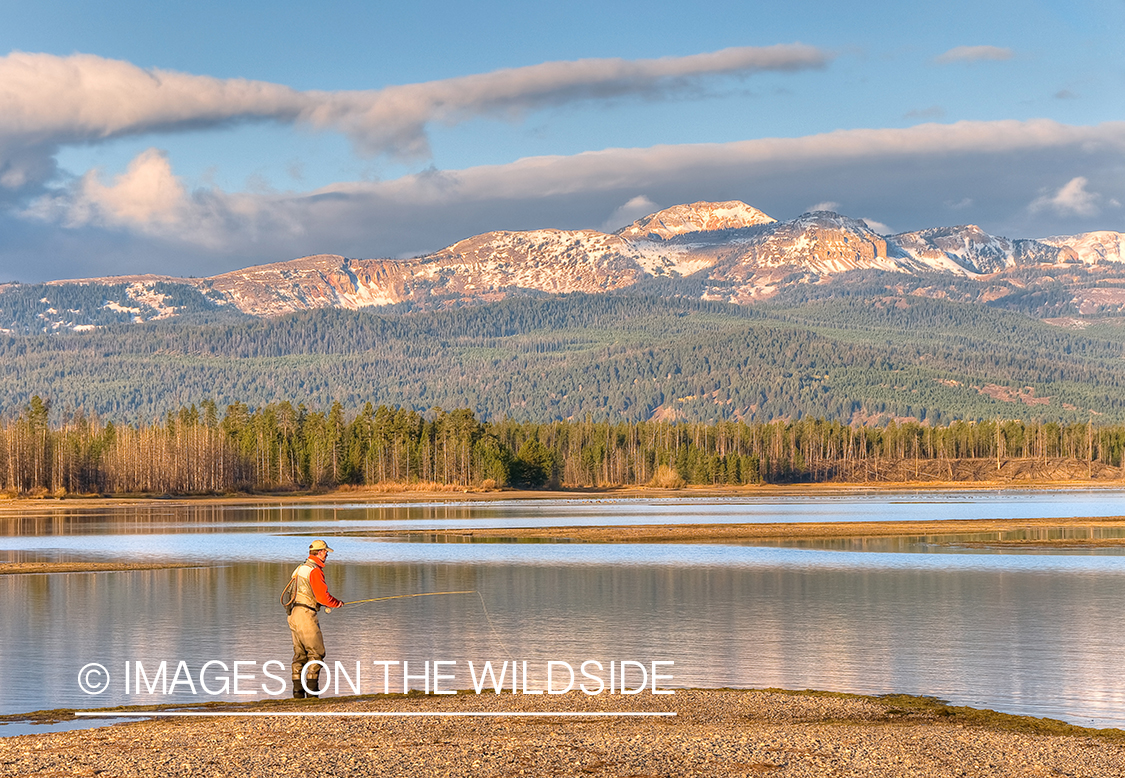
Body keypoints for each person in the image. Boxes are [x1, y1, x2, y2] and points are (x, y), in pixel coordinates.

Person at [286, 539, 344, 698]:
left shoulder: (300, 568)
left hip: (293, 614)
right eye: (325, 552)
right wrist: (336, 603)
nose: (327, 555)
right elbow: (322, 597)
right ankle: (312, 694)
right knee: (316, 653)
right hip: (306, 615)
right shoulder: (314, 570)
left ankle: (297, 694)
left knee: (300, 655)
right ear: (319, 552)